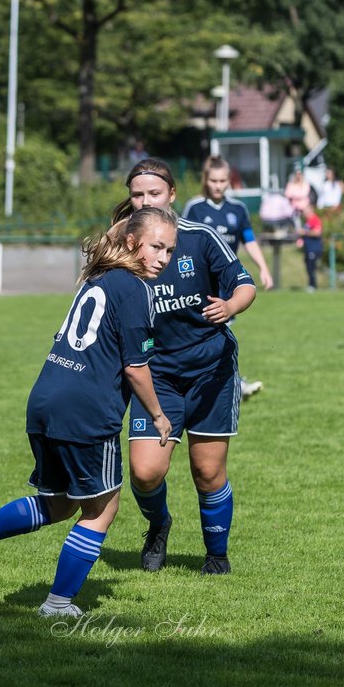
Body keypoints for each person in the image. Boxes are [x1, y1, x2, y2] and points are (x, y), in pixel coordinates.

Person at [0, 207, 174, 618]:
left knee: (60, 504)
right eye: (157, 246)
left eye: (169, 249)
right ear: (133, 243)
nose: (164, 257)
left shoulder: (99, 277)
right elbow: (136, 367)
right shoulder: (133, 288)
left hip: (46, 399)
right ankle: (57, 603)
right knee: (102, 508)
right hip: (85, 411)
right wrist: (158, 414)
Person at [113, 158, 257, 575]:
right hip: (155, 374)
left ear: (171, 196)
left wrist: (230, 305)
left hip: (211, 371)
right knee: (144, 472)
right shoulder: (122, 244)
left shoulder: (200, 238)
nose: (144, 201)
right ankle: (159, 525)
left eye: (153, 194)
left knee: (207, 471)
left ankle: (216, 555)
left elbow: (244, 284)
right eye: (136, 194)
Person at [182, 156, 274, 399]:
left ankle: (228, 382)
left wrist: (263, 268)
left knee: (219, 334)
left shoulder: (237, 209)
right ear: (206, 180)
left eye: (223, 180)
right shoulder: (194, 207)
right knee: (205, 333)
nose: (218, 185)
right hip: (200, 284)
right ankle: (220, 382)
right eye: (214, 180)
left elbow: (250, 240)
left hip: (228, 284)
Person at [297, 208, 323, 292]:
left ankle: (313, 286)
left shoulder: (315, 220)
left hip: (314, 248)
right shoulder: (307, 222)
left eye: (305, 212)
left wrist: (304, 232)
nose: (304, 215)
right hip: (308, 249)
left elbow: (317, 232)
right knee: (308, 267)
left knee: (312, 268)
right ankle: (310, 285)